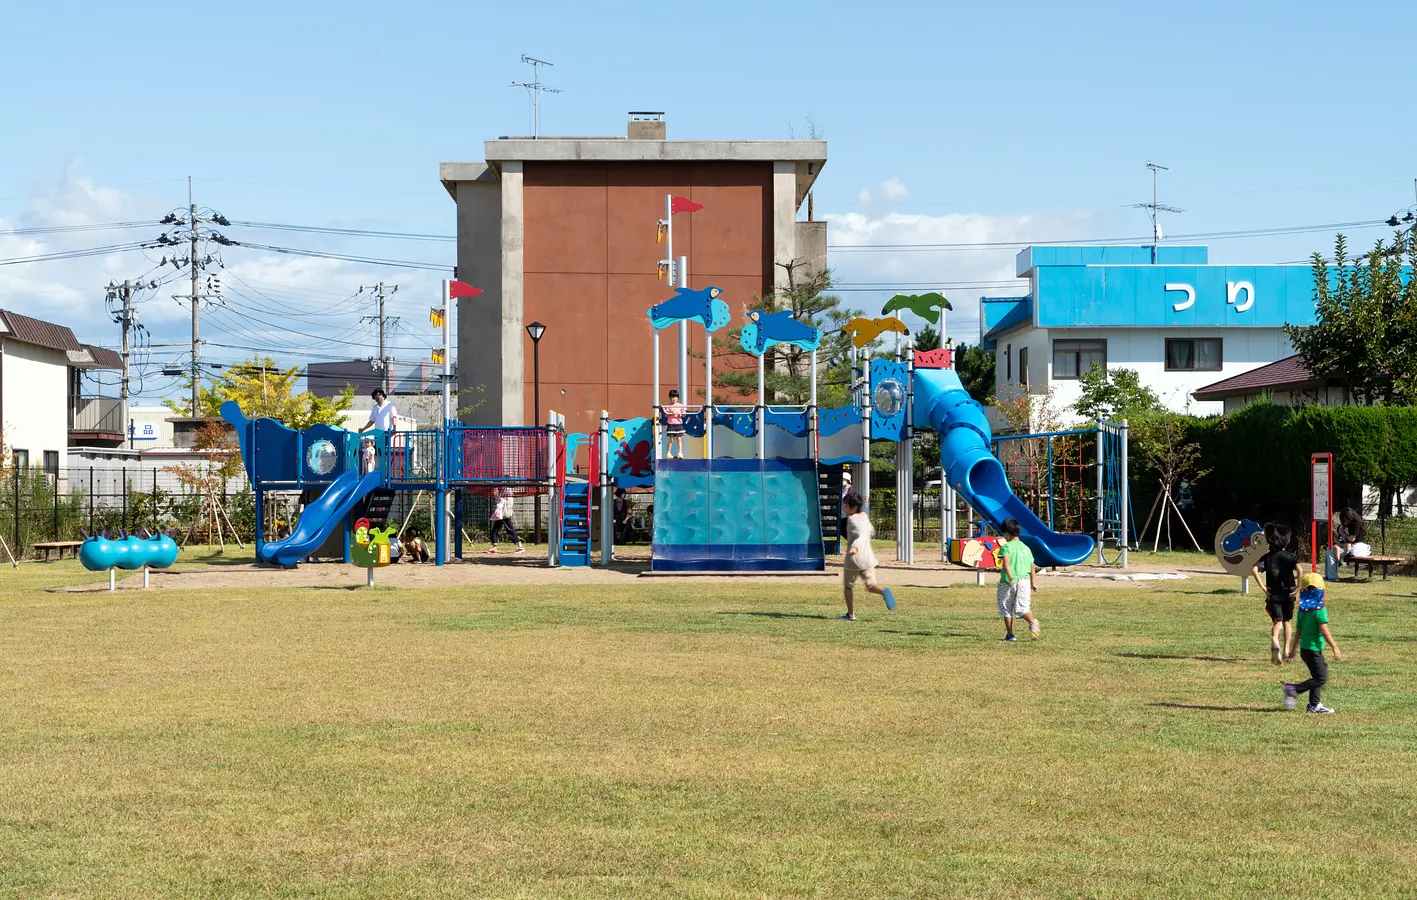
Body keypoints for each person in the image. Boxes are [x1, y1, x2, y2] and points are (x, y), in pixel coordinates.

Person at [1284, 572, 1343, 713]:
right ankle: (1293, 690)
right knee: (1321, 678)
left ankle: (1314, 705)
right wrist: (1335, 647)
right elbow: (1323, 630)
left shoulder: (1302, 611)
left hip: (1306, 650)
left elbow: (1298, 631)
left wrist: (1293, 650)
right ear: (1322, 592)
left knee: (1319, 674)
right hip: (1313, 650)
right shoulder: (1319, 611)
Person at [839, 492, 895, 621]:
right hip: (868, 559)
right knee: (871, 586)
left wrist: (855, 547)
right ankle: (884, 591)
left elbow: (859, 536)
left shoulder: (851, 520)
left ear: (853, 508)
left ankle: (851, 614)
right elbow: (870, 531)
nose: (844, 507)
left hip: (854, 559)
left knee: (848, 586)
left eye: (846, 506)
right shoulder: (864, 516)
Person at [1257, 525, 1300, 666]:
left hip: (1273, 594)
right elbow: (1299, 568)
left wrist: (1263, 587)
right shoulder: (1290, 556)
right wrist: (1299, 586)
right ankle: (1287, 652)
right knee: (1287, 621)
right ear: (1286, 542)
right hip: (1288, 593)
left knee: (1278, 621)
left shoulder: (1267, 557)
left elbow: (1254, 569)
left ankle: (1275, 639)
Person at [997, 517, 1040, 641]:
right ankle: (1032, 621)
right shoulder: (1026, 548)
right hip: (1025, 581)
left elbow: (1005, 563)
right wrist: (1033, 583)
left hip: (1008, 582)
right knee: (1023, 608)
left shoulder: (1006, 547)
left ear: (1007, 533)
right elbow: (1032, 567)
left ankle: (1010, 635)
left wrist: (1010, 576)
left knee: (1006, 608)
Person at [487, 487, 525, 554]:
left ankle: (520, 546)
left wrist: (498, 496)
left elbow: (506, 501)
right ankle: (494, 547)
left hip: (505, 514)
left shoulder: (507, 489)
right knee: (495, 529)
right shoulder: (502, 489)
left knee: (509, 529)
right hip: (501, 514)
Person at [663, 389, 687, 459]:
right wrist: (671, 412)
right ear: (670, 398)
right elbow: (666, 414)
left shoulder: (680, 405)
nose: (674, 398)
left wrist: (682, 413)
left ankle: (680, 453)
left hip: (678, 424)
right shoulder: (668, 406)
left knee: (679, 439)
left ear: (678, 398)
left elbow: (684, 415)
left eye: (675, 397)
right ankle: (668, 453)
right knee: (671, 439)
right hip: (671, 424)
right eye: (672, 397)